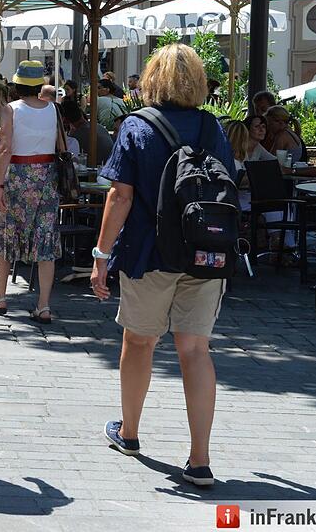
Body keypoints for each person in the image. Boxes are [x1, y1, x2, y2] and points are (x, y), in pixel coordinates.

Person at [90, 42, 235, 488]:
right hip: (205, 253)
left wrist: (101, 256)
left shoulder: (137, 126)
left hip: (149, 254)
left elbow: (120, 196)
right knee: (195, 351)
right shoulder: (212, 127)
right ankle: (200, 459)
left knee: (139, 341)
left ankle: (130, 432)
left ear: (152, 79)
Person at [0, 60, 62, 322]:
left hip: (19, 176)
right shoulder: (54, 109)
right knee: (45, 238)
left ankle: (0, 297)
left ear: (18, 84)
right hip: (47, 177)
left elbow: (5, 149)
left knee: (7, 232)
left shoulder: (11, 109)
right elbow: (58, 143)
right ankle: (43, 305)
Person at [62, 99, 114, 165]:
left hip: (96, 167)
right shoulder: (98, 127)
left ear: (64, 120)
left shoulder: (77, 137)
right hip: (109, 165)